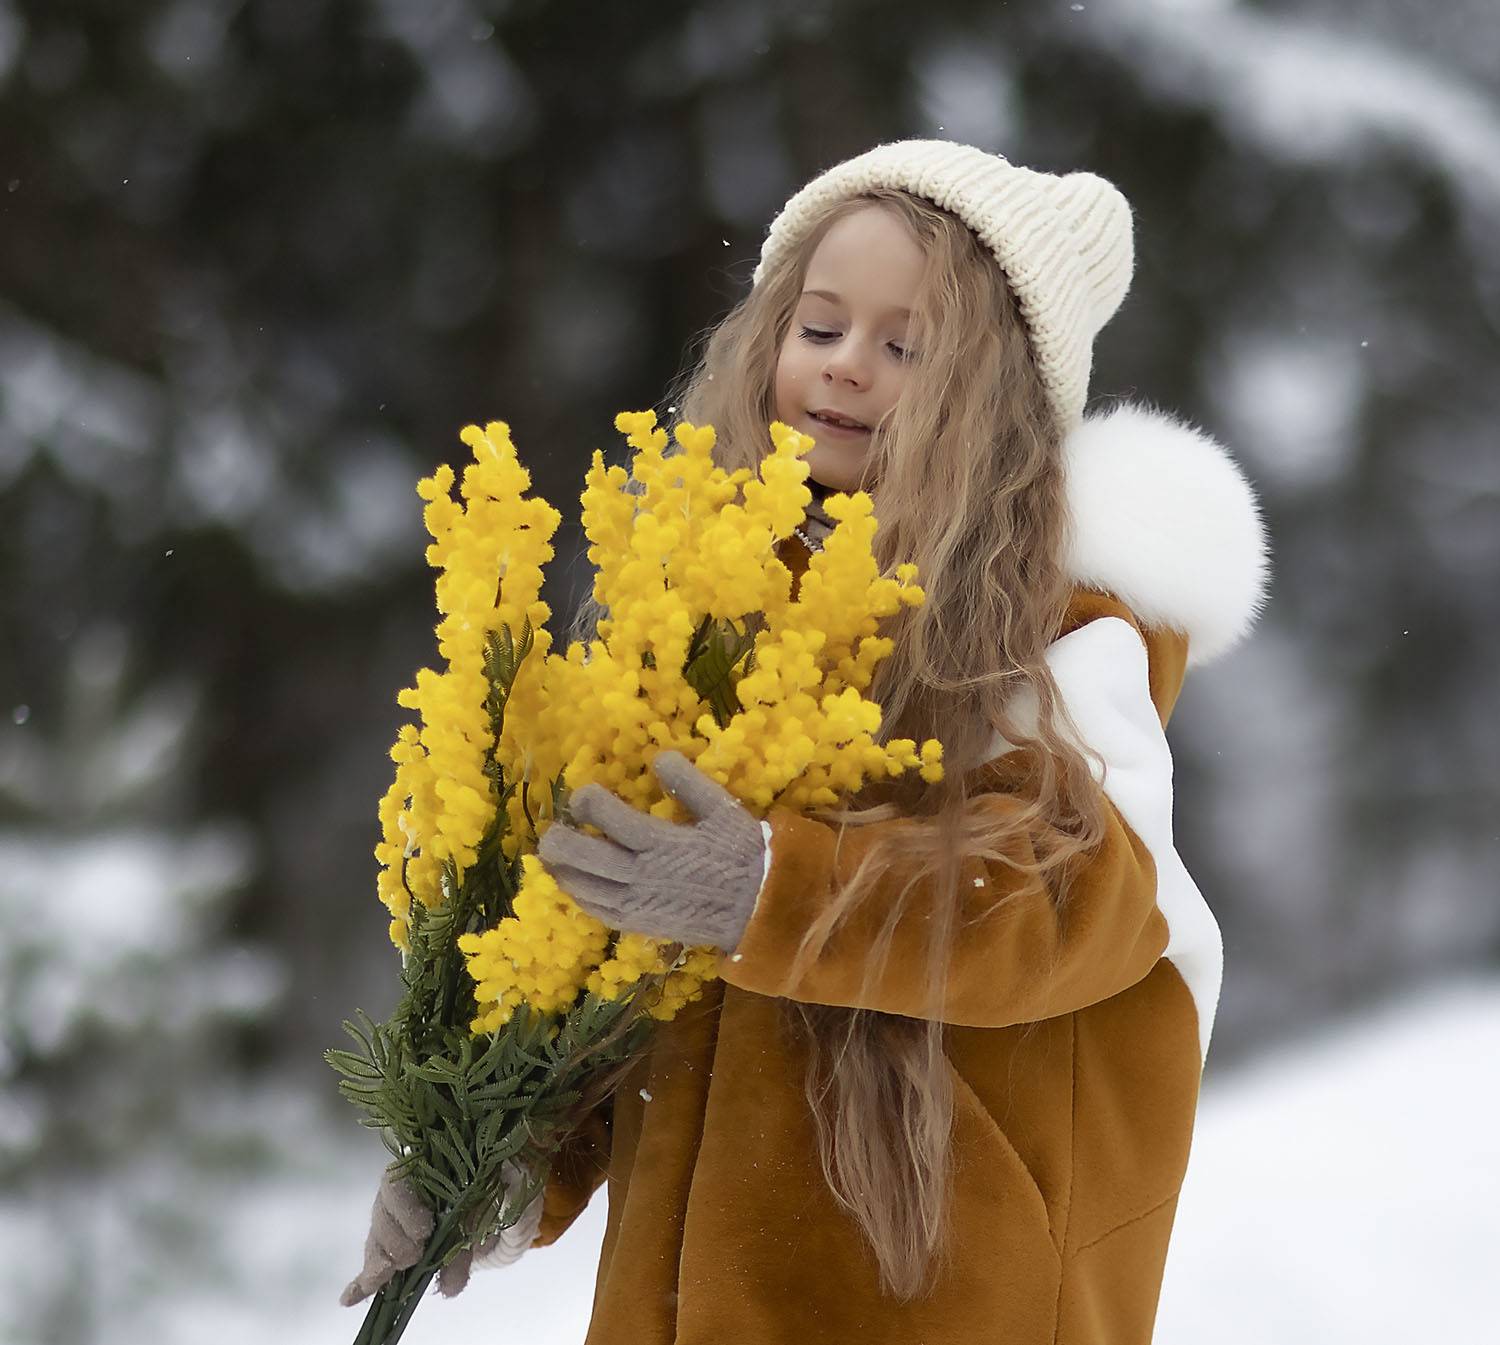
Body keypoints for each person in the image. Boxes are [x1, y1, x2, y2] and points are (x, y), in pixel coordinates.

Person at [344, 138, 1270, 1342]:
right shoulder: (709, 611)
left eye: (907, 345)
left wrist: (774, 888)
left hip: (935, 1294)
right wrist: (489, 1160)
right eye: (820, 325)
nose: (846, 369)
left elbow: (1079, 901)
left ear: (994, 401)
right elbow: (621, 980)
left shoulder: (1062, 632)